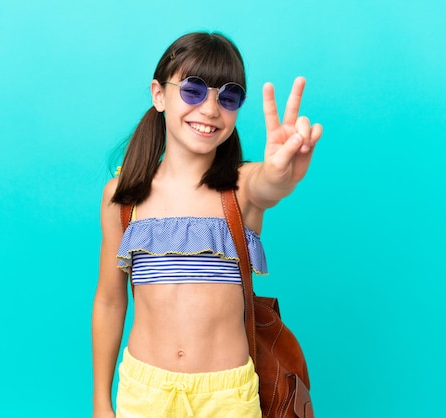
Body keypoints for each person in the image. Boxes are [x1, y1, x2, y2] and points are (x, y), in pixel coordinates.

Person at [91, 31, 322, 418]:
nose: (211, 109)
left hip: (227, 397)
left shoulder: (241, 187)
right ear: (159, 94)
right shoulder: (122, 196)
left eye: (228, 97)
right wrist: (101, 400)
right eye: (194, 89)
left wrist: (283, 174)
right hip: (144, 393)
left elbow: (269, 184)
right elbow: (110, 300)